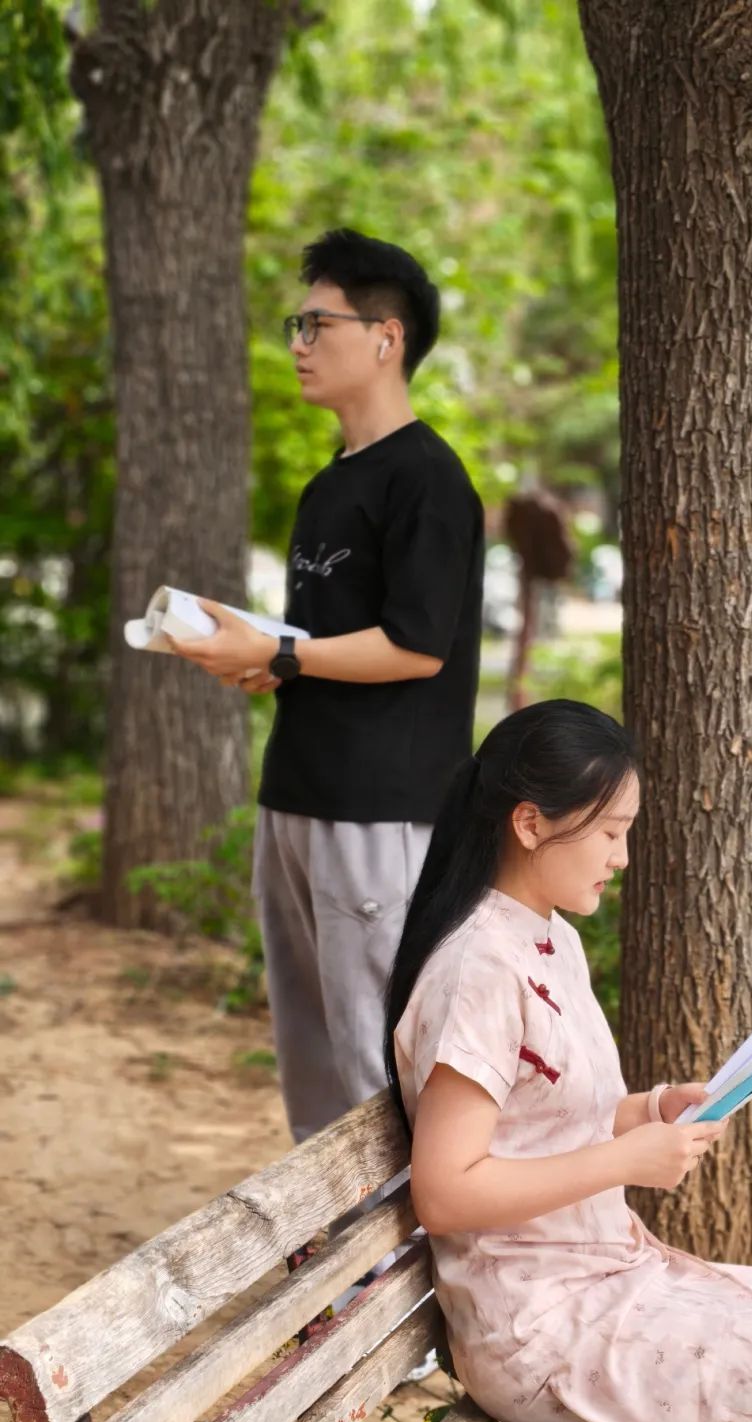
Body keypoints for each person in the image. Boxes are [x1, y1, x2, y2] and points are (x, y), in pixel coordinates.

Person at [385, 699, 752, 1422]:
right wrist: (626, 1161)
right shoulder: (478, 969)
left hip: (611, 1273)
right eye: (610, 832)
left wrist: (650, 1111)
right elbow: (446, 1193)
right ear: (530, 824)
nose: (621, 857)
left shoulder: (549, 941)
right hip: (539, 1323)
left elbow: (540, 1117)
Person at [172, 228, 485, 1154]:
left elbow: (416, 649)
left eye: (317, 324)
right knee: (309, 1061)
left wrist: (283, 654)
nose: (299, 344)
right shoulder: (327, 488)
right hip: (297, 794)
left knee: (371, 1059)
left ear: (386, 338)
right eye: (296, 326)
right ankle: (337, 1237)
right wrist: (260, 657)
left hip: (380, 811)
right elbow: (321, 647)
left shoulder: (428, 480)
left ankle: (408, 1238)